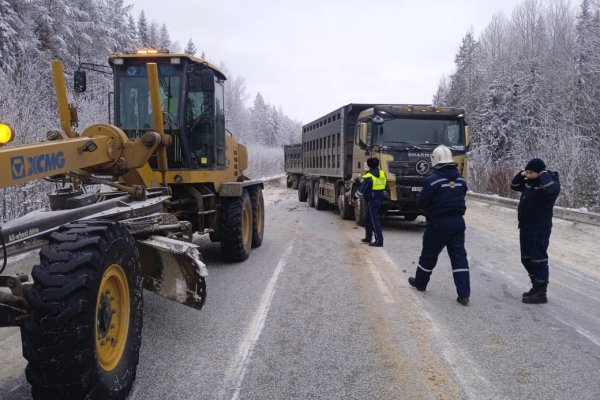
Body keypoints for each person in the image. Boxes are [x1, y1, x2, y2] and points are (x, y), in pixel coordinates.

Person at [408, 145, 470, 306]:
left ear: (434, 161)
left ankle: (420, 283)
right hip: (458, 222)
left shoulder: (432, 181)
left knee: (429, 254)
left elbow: (422, 203)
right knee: (459, 258)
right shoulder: (461, 181)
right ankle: (464, 294)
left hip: (438, 223)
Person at [511, 158, 560, 304]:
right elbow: (514, 185)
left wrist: (543, 173)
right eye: (527, 171)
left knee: (538, 259)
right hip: (525, 226)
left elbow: (551, 191)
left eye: (530, 172)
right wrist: (522, 174)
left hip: (540, 228)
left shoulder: (550, 183)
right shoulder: (528, 182)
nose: (527, 174)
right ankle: (535, 286)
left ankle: (541, 292)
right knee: (525, 259)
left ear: (540, 173)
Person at [355, 157, 386, 247]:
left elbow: (362, 189)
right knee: (368, 219)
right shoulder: (382, 173)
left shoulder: (369, 176)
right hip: (379, 197)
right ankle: (368, 237)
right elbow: (385, 185)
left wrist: (355, 197)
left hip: (371, 199)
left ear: (368, 165)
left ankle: (379, 241)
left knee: (374, 220)